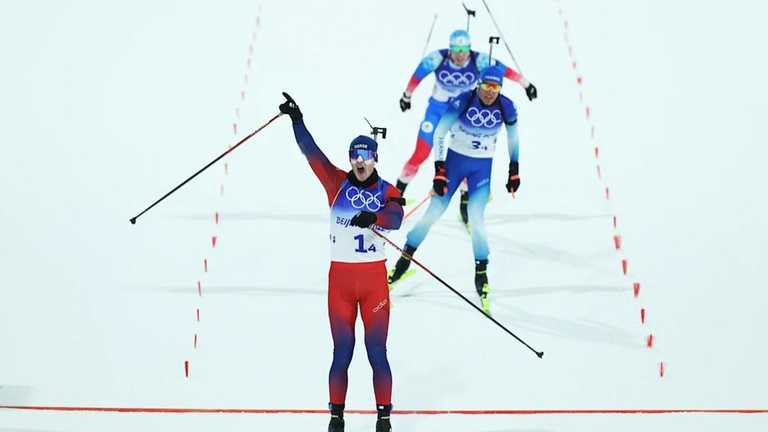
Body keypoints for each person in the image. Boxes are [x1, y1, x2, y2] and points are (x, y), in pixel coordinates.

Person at [278, 92, 403, 432]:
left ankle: (384, 419)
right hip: (341, 284)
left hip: (373, 283)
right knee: (342, 352)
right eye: (354, 156)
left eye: (366, 156)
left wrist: (374, 216)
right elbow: (312, 154)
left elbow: (395, 218)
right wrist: (297, 120)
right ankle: (336, 418)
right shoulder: (336, 183)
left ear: (375, 159)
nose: (360, 161)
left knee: (376, 351)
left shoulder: (387, 190)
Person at [388, 66, 522, 316]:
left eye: (495, 87)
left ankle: (481, 273)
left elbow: (513, 138)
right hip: (453, 166)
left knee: (477, 219)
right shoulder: (464, 99)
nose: (490, 92)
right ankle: (403, 261)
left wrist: (514, 168)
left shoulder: (506, 106)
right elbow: (439, 132)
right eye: (486, 86)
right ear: (478, 84)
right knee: (433, 213)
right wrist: (439, 169)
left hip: (481, 170)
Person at [396, 29, 535, 225]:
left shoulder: (478, 60)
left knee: (465, 154)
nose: (460, 55)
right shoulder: (438, 58)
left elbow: (503, 71)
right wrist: (407, 95)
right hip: (438, 111)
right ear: (450, 48)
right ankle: (396, 194)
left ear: (469, 49)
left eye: (464, 50)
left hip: (463, 114)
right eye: (456, 49)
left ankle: (464, 202)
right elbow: (418, 74)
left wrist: (526, 84)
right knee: (421, 152)